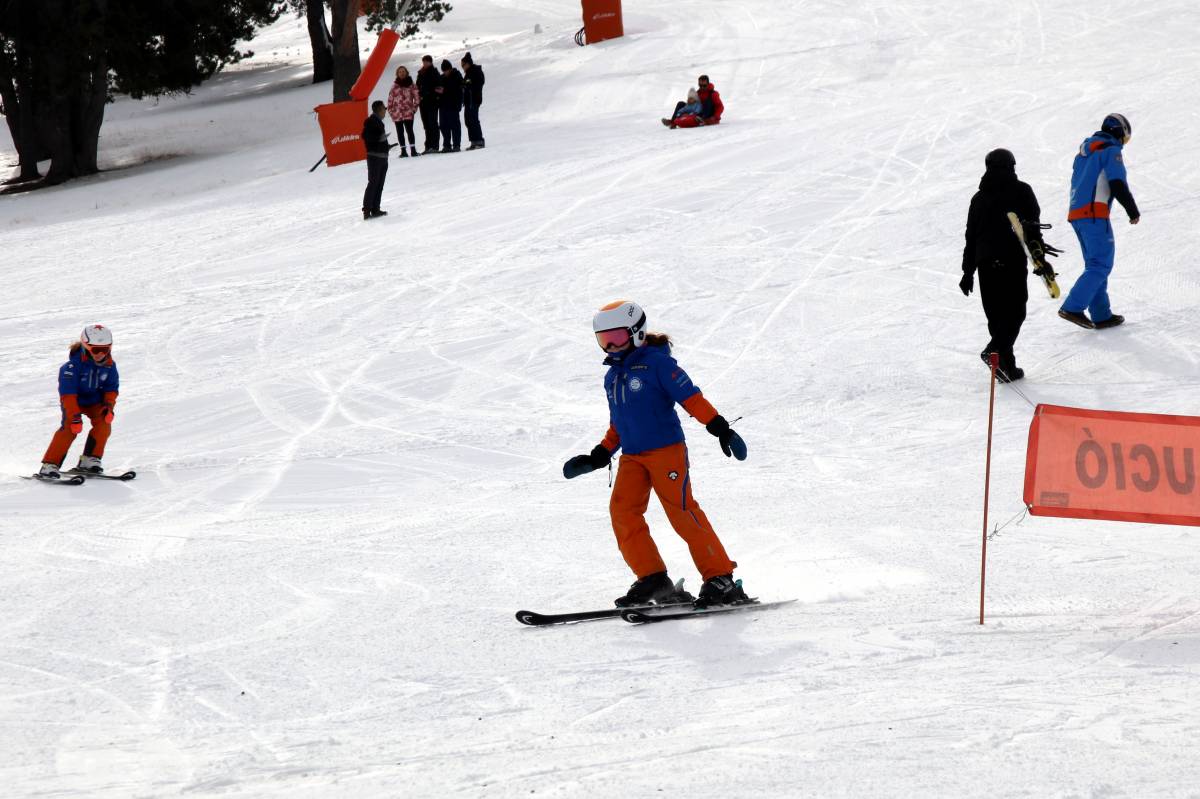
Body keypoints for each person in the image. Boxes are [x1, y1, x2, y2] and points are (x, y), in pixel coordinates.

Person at [562, 301, 751, 609]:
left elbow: (691, 398)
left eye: (617, 337)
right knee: (623, 513)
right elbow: (619, 424)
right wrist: (599, 456)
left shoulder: (658, 364)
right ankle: (653, 578)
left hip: (666, 452)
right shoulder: (612, 377)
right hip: (633, 457)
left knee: (682, 513)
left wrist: (720, 428)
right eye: (603, 338)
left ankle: (721, 578)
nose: (610, 345)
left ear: (636, 332)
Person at [959, 148, 1057, 382]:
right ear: (1012, 166)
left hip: (985, 263)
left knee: (997, 316)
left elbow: (971, 236)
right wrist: (1039, 256)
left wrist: (967, 272)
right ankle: (995, 351)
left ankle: (1006, 366)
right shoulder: (1022, 190)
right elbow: (1032, 227)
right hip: (1011, 259)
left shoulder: (979, 198)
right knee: (1015, 312)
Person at [1058, 113, 1140, 330]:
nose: (1124, 144)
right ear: (1120, 133)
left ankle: (1101, 314)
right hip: (1094, 215)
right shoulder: (1110, 151)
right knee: (1101, 264)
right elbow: (1117, 183)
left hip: (1077, 216)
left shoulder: (1084, 153)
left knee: (1095, 265)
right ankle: (1073, 307)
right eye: (1125, 138)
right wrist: (1132, 211)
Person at [39, 325, 119, 478]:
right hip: (74, 401)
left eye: (105, 349)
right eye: (96, 350)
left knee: (104, 422)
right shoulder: (71, 367)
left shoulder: (110, 365)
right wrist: (75, 416)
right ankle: (49, 465)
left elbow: (111, 388)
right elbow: (68, 395)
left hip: (95, 401)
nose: (100, 354)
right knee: (70, 427)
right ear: (86, 346)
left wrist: (109, 406)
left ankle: (89, 460)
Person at [361, 100, 391, 219]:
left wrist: (386, 145)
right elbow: (366, 136)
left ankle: (375, 208)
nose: (385, 110)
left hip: (382, 157)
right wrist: (380, 140)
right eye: (384, 108)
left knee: (379, 184)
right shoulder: (371, 121)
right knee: (374, 183)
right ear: (379, 110)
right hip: (375, 158)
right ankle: (367, 209)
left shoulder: (377, 122)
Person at [386, 66, 421, 158]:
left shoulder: (411, 85)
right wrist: (390, 110)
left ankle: (413, 150)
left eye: (403, 71)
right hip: (397, 114)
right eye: (400, 72)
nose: (402, 73)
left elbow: (417, 97)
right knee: (400, 132)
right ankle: (403, 151)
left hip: (408, 113)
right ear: (397, 74)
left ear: (406, 72)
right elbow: (390, 99)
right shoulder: (394, 86)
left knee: (410, 131)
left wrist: (414, 108)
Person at [435, 59, 464, 153]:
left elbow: (458, 89)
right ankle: (447, 145)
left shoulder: (457, 75)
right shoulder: (441, 77)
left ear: (450, 69)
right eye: (444, 70)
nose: (445, 72)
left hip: (453, 104)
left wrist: (445, 91)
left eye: (447, 70)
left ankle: (456, 145)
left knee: (455, 125)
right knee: (443, 125)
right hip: (443, 105)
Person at [416, 55, 441, 154]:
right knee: (426, 125)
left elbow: (438, 87)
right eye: (424, 62)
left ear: (431, 62)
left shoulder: (434, 72)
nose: (425, 63)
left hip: (432, 102)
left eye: (427, 62)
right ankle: (428, 146)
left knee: (433, 124)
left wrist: (430, 94)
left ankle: (434, 146)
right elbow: (417, 86)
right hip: (423, 103)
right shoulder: (420, 73)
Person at [461, 52, 486, 150]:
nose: (462, 67)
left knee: (473, 119)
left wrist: (469, 84)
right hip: (468, 100)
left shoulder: (476, 71)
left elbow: (479, 82)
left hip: (474, 99)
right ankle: (473, 141)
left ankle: (479, 140)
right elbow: (465, 84)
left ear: (468, 64)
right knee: (468, 120)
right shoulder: (468, 73)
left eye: (463, 65)